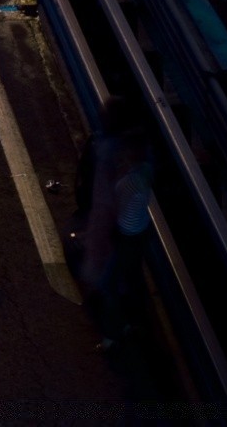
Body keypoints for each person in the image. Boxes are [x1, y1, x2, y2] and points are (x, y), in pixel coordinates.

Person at [80, 101, 154, 350]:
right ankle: (134, 320)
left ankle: (113, 334)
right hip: (138, 232)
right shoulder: (144, 171)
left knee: (109, 285)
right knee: (132, 275)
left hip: (125, 235)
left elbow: (112, 210)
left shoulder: (126, 182)